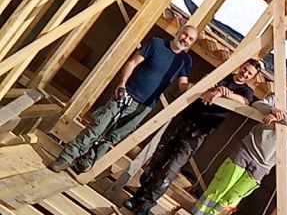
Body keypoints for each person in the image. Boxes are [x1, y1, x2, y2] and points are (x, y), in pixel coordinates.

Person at [123, 59, 262, 215]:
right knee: (157, 160)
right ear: (241, 66)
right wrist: (210, 83)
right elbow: (202, 81)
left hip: (198, 132)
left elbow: (245, 102)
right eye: (245, 69)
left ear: (252, 77)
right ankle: (137, 197)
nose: (245, 73)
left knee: (171, 169)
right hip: (183, 121)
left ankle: (146, 206)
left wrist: (223, 93)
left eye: (249, 73)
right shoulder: (223, 75)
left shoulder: (245, 91)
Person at [52, 25, 198, 174]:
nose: (186, 39)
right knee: (98, 127)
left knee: (113, 137)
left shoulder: (184, 61)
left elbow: (183, 86)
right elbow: (132, 63)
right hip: (128, 94)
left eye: (190, 39)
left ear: (192, 43)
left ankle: (85, 162)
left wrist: (200, 88)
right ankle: (66, 158)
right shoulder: (157, 44)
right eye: (184, 34)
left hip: (144, 107)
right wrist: (122, 84)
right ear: (178, 33)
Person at [191, 72, 287, 215]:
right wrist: (273, 110)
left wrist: (280, 116)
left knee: (233, 197)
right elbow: (257, 104)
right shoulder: (278, 100)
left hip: (265, 163)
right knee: (221, 185)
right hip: (248, 149)